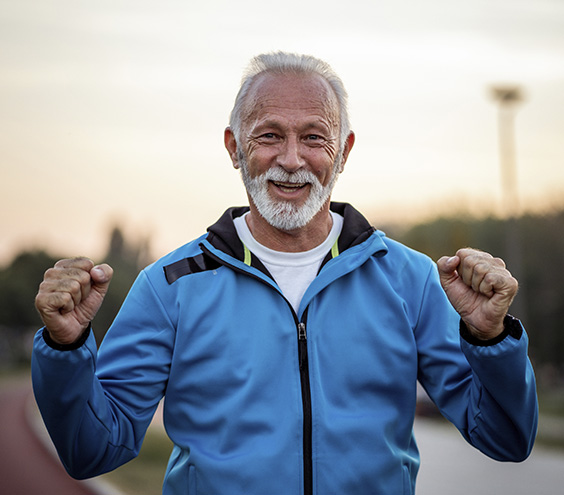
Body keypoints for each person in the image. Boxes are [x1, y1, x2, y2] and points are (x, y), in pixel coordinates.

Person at [32, 52, 538, 495]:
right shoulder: (170, 286)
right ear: (234, 147)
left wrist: (489, 337)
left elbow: (505, 438)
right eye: (269, 135)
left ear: (344, 150)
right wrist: (66, 349)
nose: (292, 159)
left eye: (314, 137)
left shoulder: (411, 278)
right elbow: (92, 453)